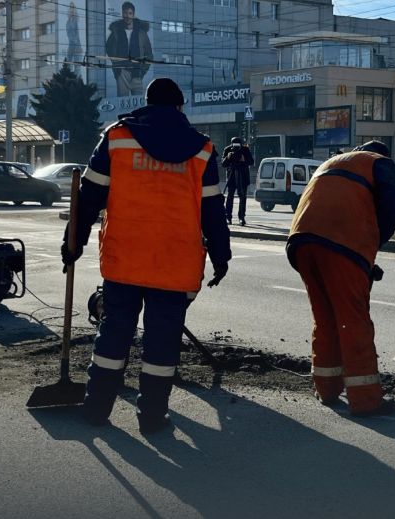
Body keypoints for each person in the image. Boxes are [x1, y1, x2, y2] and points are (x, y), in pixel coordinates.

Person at [61, 77, 231, 434]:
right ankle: (152, 418)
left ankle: (96, 410)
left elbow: (89, 198)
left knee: (114, 335)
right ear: (180, 107)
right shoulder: (202, 149)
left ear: (147, 103)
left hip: (125, 258)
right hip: (175, 261)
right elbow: (213, 209)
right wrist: (220, 255)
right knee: (163, 343)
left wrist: (73, 244)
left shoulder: (118, 138)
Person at [286, 140, 395, 416]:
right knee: (353, 320)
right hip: (340, 242)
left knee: (325, 317)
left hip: (301, 241)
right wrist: (372, 245)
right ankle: (366, 400)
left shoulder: (333, 162)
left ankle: (327, 390)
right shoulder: (378, 162)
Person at [105, 1, 153, 97]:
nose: (127, 16)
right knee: (122, 103)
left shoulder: (141, 33)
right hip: (122, 72)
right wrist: (116, 66)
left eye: (130, 13)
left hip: (137, 73)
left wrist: (142, 71)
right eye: (125, 13)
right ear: (122, 14)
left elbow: (149, 54)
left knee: (139, 103)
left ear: (133, 15)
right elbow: (108, 48)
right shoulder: (116, 31)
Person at [221, 137, 254, 226]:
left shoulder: (245, 150)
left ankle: (241, 217)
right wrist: (228, 158)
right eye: (234, 145)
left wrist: (244, 160)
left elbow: (251, 162)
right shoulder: (227, 149)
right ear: (231, 144)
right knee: (229, 198)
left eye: (237, 145)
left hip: (243, 177)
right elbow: (223, 164)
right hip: (231, 177)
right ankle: (228, 217)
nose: (236, 147)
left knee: (243, 197)